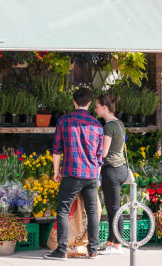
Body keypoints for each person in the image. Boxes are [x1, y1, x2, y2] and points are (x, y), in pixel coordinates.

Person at [44, 87, 103, 260]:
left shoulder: (64, 121)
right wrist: (97, 177)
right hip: (91, 174)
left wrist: (56, 171)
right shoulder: (97, 125)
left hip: (71, 172)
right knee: (92, 212)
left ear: (74, 102)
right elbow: (99, 156)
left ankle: (61, 250)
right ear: (90, 103)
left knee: (63, 210)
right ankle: (93, 250)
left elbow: (57, 150)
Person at [94, 94, 127, 255]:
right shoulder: (119, 123)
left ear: (104, 108)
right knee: (112, 207)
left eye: (97, 106)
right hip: (121, 168)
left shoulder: (108, 127)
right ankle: (110, 242)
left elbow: (103, 153)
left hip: (111, 170)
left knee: (114, 209)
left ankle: (117, 245)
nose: (95, 109)